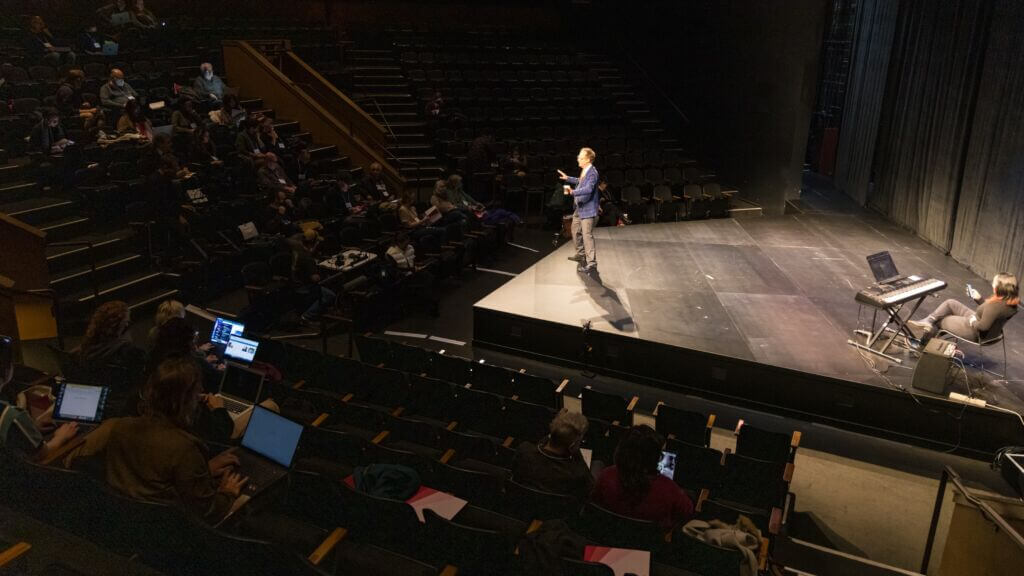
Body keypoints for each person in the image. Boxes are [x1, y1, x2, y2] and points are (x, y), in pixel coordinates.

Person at [68, 357, 247, 522]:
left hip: (122, 518)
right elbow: (207, 511)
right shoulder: (185, 447)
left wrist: (204, 470)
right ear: (186, 400)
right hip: (164, 527)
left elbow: (150, 475)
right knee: (245, 500)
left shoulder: (116, 426)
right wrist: (227, 493)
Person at [591, 425, 694, 530]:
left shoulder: (606, 476)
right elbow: (687, 513)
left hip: (608, 538)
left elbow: (595, 503)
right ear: (655, 458)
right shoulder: (669, 489)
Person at [0, 334, 79, 460]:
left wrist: (31, 428)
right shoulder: (11, 415)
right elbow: (42, 455)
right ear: (7, 370)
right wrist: (61, 437)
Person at [910, 273, 1019, 341]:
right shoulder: (1010, 303)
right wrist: (979, 299)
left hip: (975, 332)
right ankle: (928, 321)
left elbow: (983, 327)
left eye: (994, 283)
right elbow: (992, 314)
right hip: (989, 329)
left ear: (999, 288)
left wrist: (972, 321)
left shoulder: (994, 306)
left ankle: (922, 344)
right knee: (950, 303)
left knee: (941, 319)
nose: (992, 285)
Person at [512, 411, 593, 499]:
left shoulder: (524, 451)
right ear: (572, 445)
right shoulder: (576, 474)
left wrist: (557, 430)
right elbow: (591, 489)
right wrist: (577, 453)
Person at [559, 147, 600, 275]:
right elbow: (580, 182)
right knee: (575, 230)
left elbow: (588, 189)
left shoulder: (593, 173)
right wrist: (568, 178)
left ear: (587, 159)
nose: (578, 159)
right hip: (579, 207)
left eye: (580, 157)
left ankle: (591, 263)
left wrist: (573, 192)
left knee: (587, 235)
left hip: (587, 208)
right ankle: (581, 254)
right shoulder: (585, 170)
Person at [290, 229, 336, 325]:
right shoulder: (307, 258)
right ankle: (307, 316)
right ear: (313, 243)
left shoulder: (297, 252)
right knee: (330, 294)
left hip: (295, 283)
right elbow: (315, 279)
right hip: (304, 286)